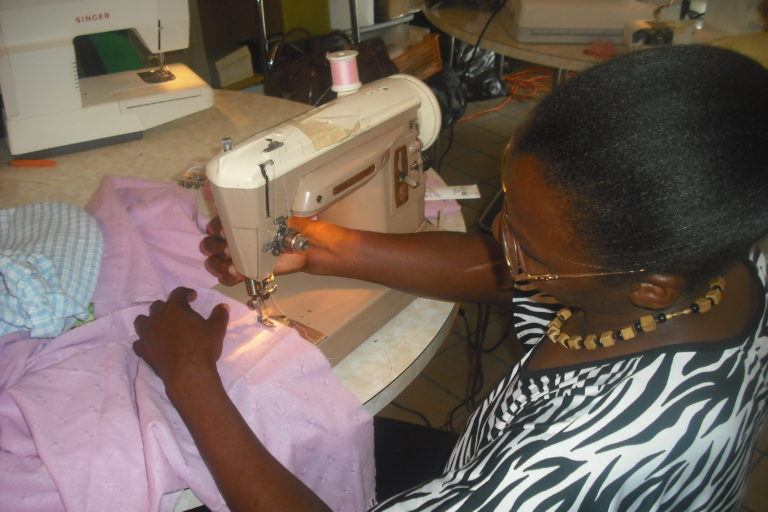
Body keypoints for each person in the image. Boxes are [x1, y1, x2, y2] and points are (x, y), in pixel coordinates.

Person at [133, 45, 768, 511]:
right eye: (506, 212)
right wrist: (320, 247)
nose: (496, 239)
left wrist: (192, 379)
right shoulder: (713, 255)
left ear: (651, 285)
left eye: (527, 243)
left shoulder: (576, 463)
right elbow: (505, 276)